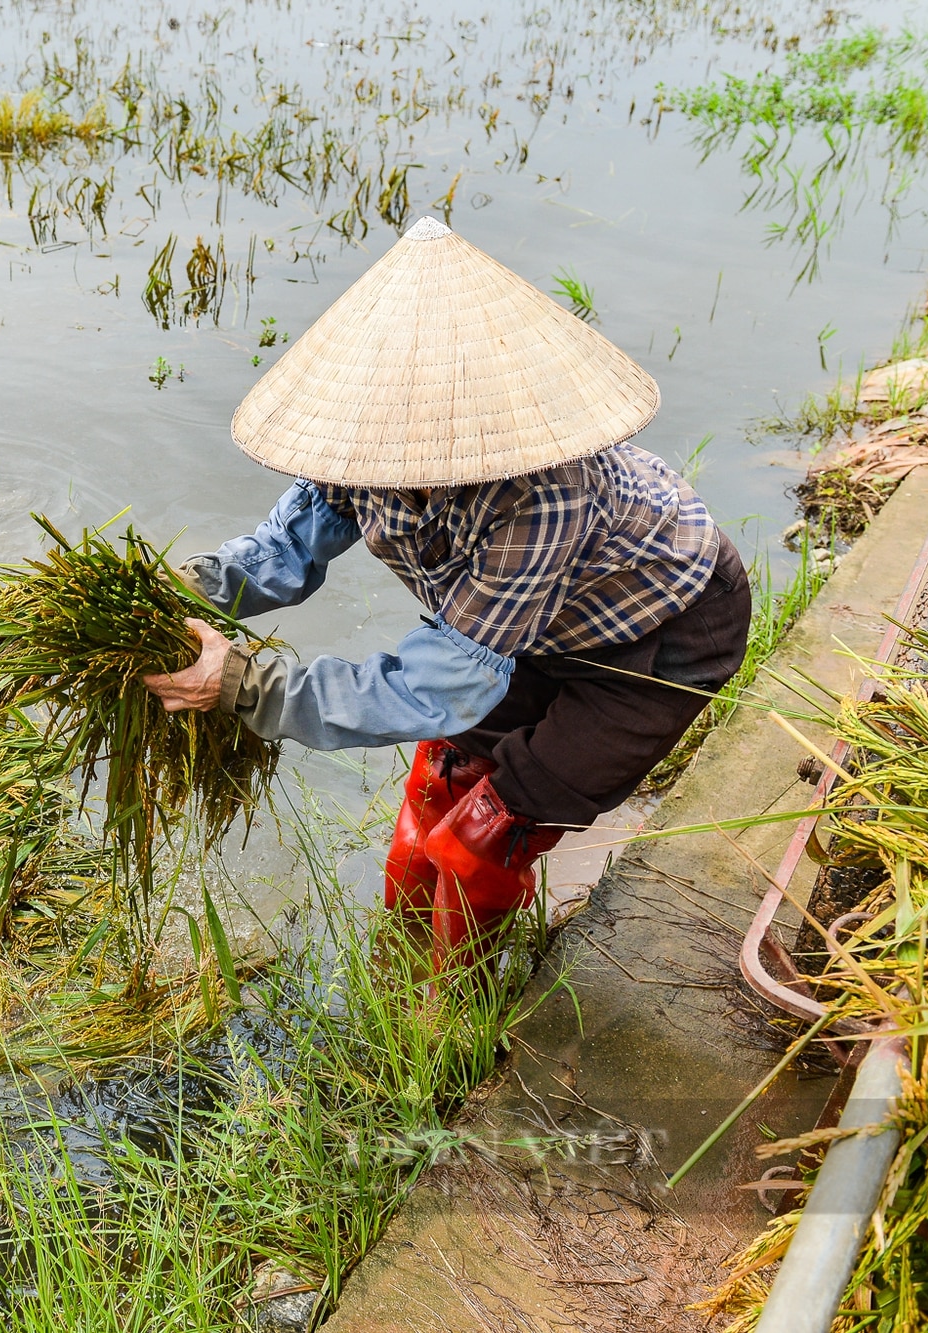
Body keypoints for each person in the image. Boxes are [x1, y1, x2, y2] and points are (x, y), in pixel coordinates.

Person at [144, 217, 751, 969]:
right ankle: (393, 980)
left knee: (484, 838)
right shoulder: (365, 448)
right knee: (441, 781)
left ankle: (449, 1029)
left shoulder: (541, 494)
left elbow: (444, 682)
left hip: (658, 636)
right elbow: (284, 552)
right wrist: (177, 592)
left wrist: (243, 685)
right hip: (528, 625)